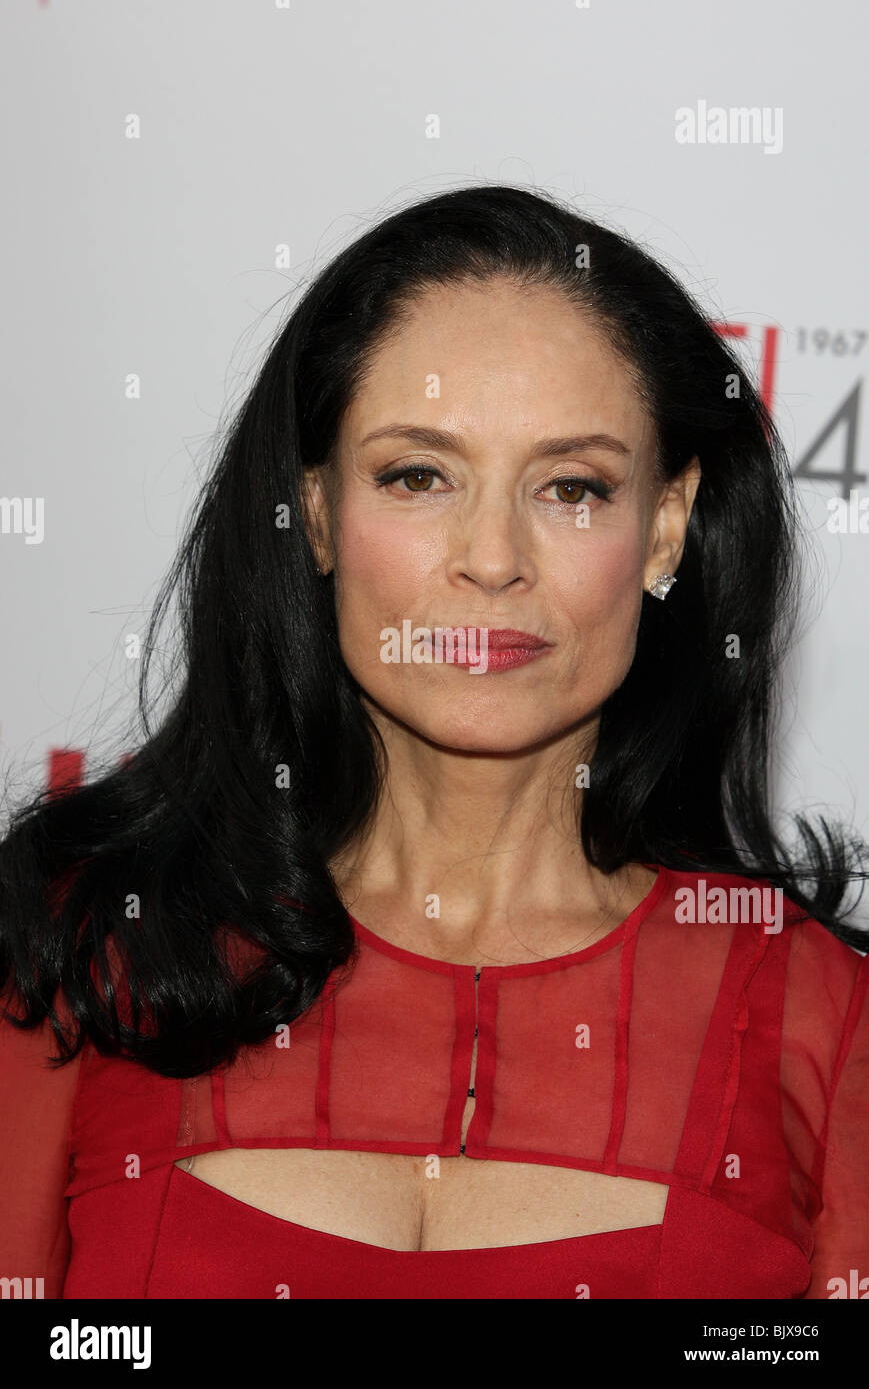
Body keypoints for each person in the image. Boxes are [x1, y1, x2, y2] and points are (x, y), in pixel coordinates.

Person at [1, 185, 866, 1299]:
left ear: (663, 526)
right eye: (418, 474)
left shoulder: (818, 1022)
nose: (491, 557)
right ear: (312, 509)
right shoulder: (84, 950)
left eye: (570, 487)